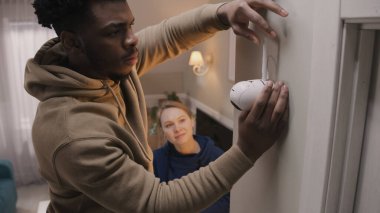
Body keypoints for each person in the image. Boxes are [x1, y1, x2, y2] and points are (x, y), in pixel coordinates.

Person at [25, 0, 289, 212]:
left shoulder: (107, 64)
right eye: (114, 31)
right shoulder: (72, 135)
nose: (132, 39)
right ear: (72, 42)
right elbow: (157, 204)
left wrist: (221, 13)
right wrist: (245, 150)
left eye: (130, 26)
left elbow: (167, 36)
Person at [153, 100, 230, 213]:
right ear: (163, 131)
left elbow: (226, 200)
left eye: (182, 120)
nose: (177, 129)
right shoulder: (157, 159)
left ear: (192, 121)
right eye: (169, 125)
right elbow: (157, 200)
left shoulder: (216, 156)